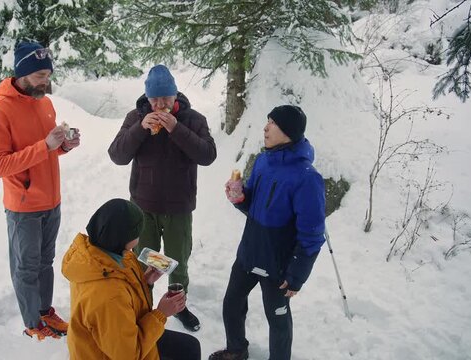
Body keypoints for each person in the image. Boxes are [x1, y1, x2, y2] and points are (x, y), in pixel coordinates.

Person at [210, 105, 326, 360]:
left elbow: (313, 235)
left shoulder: (307, 178)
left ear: (288, 132)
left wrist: (297, 275)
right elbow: (254, 205)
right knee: (232, 304)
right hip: (250, 253)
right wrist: (240, 198)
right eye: (267, 121)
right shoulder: (263, 160)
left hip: (279, 266)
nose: (265, 127)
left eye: (272, 123)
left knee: (278, 320)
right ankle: (236, 350)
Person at [0, 40, 81, 340]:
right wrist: (45, 146)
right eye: (40, 75)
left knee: (45, 262)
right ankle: (32, 324)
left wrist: (63, 146)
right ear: (23, 73)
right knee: (26, 268)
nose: (46, 81)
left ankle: (44, 311)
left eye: (48, 74)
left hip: (51, 201)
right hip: (23, 206)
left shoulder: (45, 103)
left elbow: (46, 151)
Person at [108, 64, 217, 332]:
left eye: (165, 99)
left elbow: (207, 156)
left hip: (179, 207)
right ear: (147, 98)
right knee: (146, 259)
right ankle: (142, 305)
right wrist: (140, 129)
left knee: (177, 259)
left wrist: (177, 129)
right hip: (143, 206)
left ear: (175, 95)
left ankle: (178, 306)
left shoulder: (194, 120)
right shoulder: (136, 117)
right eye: (154, 100)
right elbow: (117, 155)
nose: (159, 105)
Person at [61, 198, 202, 360]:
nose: (140, 237)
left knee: (189, 348)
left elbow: (125, 298)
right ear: (124, 237)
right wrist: (161, 313)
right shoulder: (108, 297)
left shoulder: (101, 256)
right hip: (117, 352)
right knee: (187, 351)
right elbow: (129, 355)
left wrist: (146, 281)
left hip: (127, 335)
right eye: (137, 232)